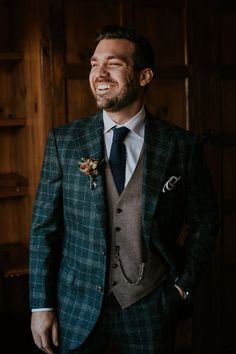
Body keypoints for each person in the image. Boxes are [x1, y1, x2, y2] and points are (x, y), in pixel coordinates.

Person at [29, 25, 218, 354]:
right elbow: (44, 228)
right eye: (93, 63)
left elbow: (205, 221)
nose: (99, 73)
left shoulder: (181, 146)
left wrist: (182, 286)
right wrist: (40, 305)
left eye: (113, 63)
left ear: (144, 76)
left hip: (150, 307)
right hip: (75, 306)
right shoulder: (65, 142)